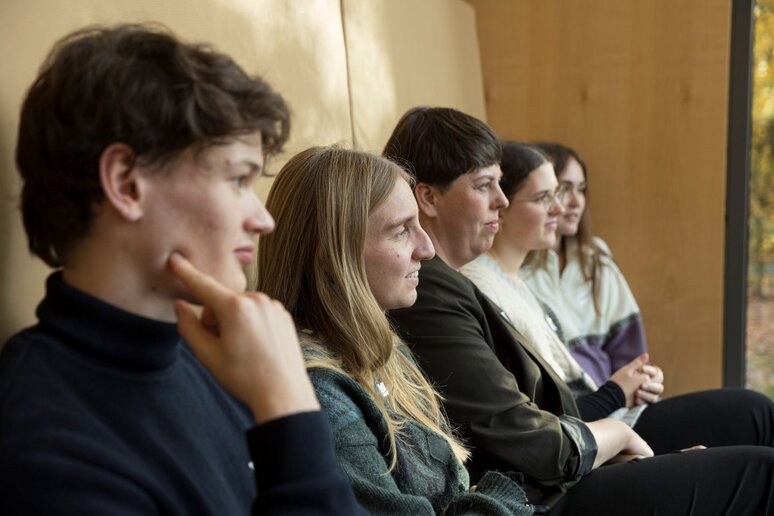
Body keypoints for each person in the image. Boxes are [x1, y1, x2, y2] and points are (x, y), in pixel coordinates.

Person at [0, 23, 364, 514]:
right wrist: (288, 405)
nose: (264, 220)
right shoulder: (44, 443)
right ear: (127, 184)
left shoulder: (216, 355)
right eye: (238, 180)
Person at [385, 106, 774, 515]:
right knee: (761, 466)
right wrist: (615, 431)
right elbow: (521, 435)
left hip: (561, 463)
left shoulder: (447, 282)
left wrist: (615, 445)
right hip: (537, 494)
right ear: (428, 197)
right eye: (485, 186)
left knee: (753, 419)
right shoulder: (427, 290)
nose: (501, 200)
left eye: (500, 184)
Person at [256, 146, 532, 515]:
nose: (427, 249)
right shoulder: (320, 390)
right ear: (332, 253)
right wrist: (500, 498)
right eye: (402, 231)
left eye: (418, 225)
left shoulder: (381, 346)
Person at [460, 141, 649, 427]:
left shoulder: (512, 280)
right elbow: (545, 414)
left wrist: (637, 382)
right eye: (543, 198)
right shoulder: (486, 284)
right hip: (589, 427)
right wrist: (616, 393)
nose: (560, 208)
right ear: (502, 208)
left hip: (606, 416)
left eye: (575, 191)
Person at [522, 142, 645, 386]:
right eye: (563, 189)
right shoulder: (515, 269)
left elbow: (632, 353)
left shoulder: (596, 256)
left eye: (581, 189)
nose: (576, 202)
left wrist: (645, 382)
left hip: (621, 399)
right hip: (574, 404)